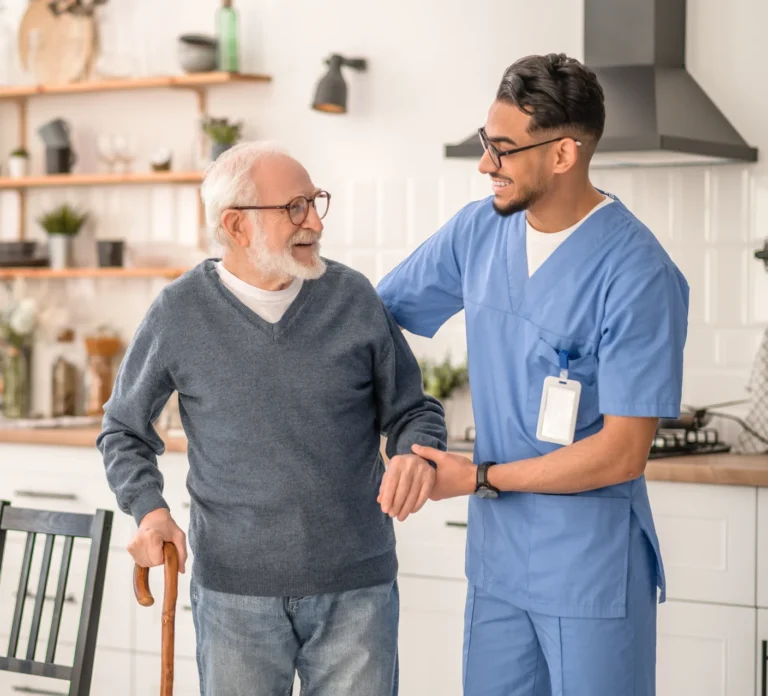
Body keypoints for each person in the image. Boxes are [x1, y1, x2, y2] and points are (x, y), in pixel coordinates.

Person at [377, 53, 689, 696]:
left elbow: (623, 453)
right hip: (498, 568)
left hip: (589, 571)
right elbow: (373, 319)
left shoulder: (637, 273)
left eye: (504, 149)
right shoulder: (477, 233)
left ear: (563, 155)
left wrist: (480, 477)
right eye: (486, 144)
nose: (486, 164)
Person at [97, 141, 447, 696]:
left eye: (315, 202)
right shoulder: (179, 312)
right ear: (236, 226)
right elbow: (123, 430)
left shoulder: (353, 297)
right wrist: (149, 510)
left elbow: (413, 410)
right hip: (234, 594)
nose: (314, 222)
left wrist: (414, 451)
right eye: (294, 208)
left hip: (357, 587)